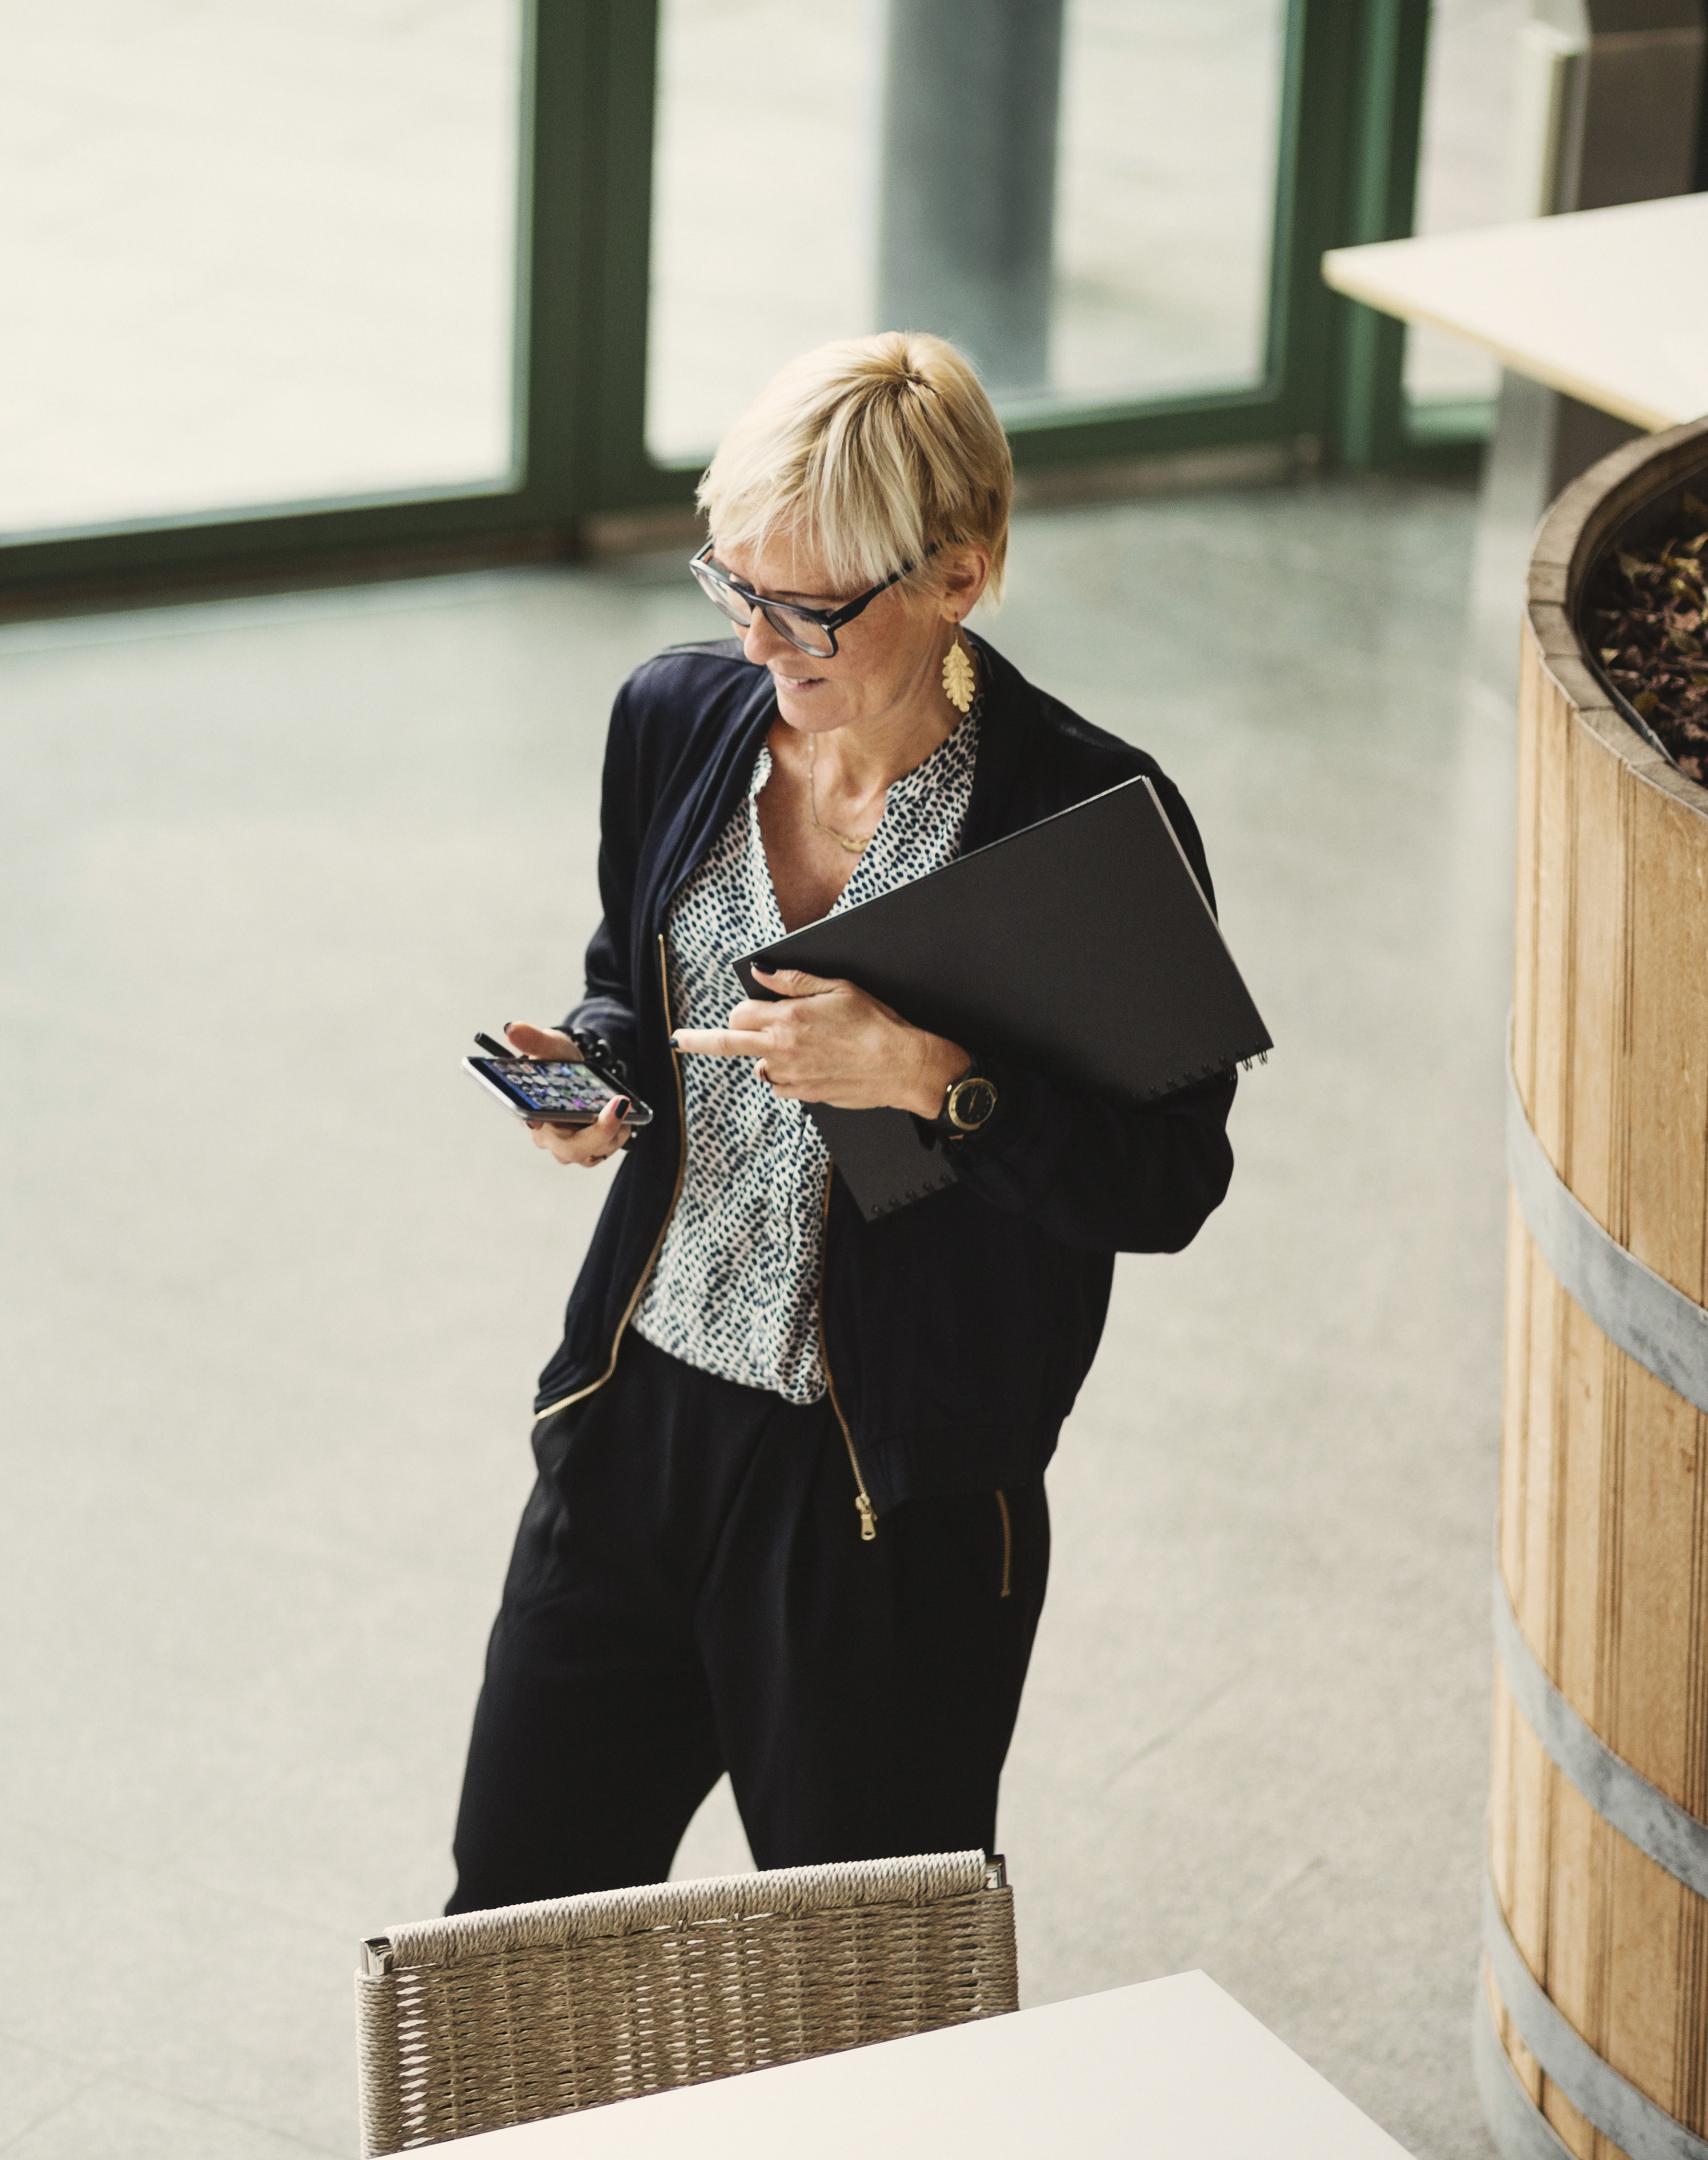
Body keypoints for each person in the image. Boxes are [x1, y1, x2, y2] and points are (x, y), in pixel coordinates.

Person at [444, 333, 1236, 1913]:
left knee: (866, 1989)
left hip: (888, 1499)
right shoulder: (677, 717)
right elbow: (633, 973)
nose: (759, 642)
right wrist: (601, 1074)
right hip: (635, 1416)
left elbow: (1166, 1181)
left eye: (808, 609)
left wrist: (939, 1086)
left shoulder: (1088, 824)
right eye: (731, 587)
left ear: (960, 573)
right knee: (512, 1917)